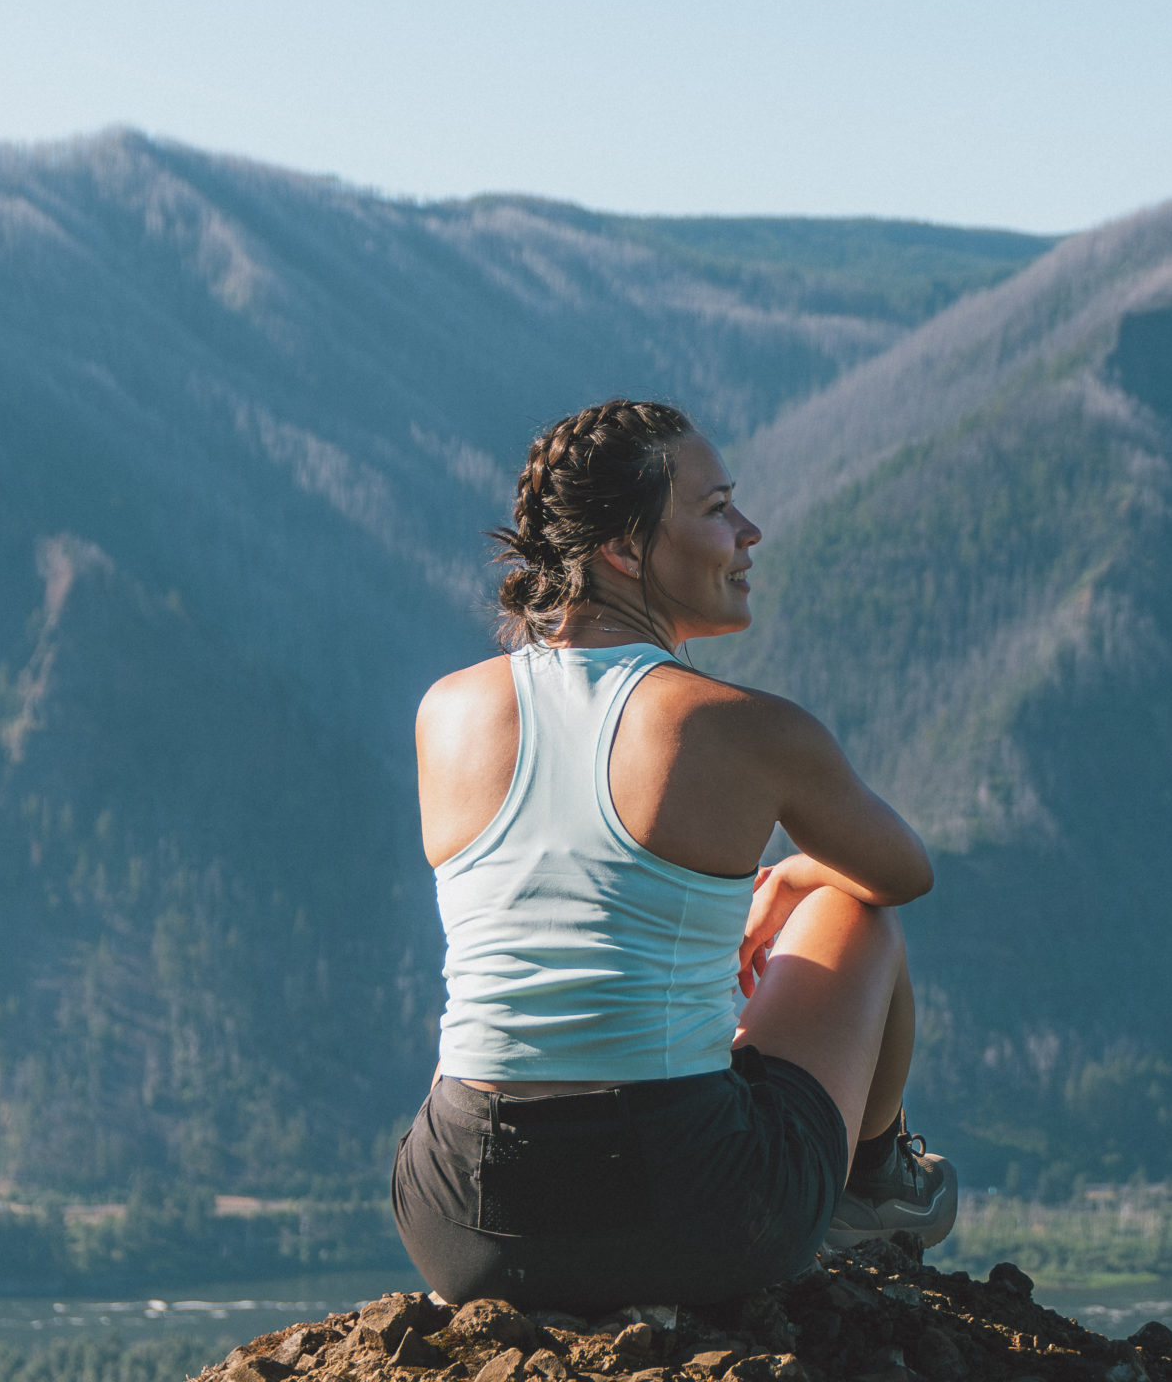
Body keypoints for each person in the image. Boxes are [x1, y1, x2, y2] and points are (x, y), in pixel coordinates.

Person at [391, 398, 956, 1313]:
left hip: (461, 1226)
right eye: (717, 507)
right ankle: (878, 1181)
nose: (750, 531)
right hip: (693, 1219)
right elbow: (902, 871)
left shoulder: (446, 710)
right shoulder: (744, 728)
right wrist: (797, 877)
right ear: (623, 547)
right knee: (857, 913)